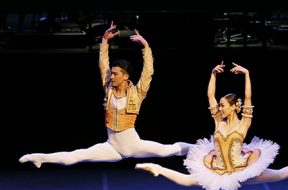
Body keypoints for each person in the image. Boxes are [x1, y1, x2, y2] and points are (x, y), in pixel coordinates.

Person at [19, 21, 192, 168]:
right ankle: (39, 157)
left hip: (133, 145)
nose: (112, 75)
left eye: (116, 73)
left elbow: (148, 72)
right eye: (112, 73)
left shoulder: (137, 93)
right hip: (112, 147)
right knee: (76, 156)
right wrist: (104, 41)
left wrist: (145, 47)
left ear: (126, 76)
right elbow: (103, 64)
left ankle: (205, 147)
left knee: (169, 150)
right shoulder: (108, 88)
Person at [135, 61, 288, 190]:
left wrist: (247, 74)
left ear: (234, 106)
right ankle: (158, 168)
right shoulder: (219, 122)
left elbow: (248, 97)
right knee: (189, 181)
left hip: (242, 170)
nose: (220, 108)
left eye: (223, 105)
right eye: (219, 105)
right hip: (218, 169)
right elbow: (210, 95)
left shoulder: (243, 124)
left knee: (280, 174)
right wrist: (213, 74)